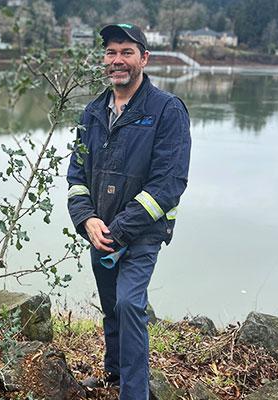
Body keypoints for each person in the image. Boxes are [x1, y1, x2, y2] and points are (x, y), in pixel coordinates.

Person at [67, 24, 191, 399]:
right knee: (111, 306)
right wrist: (86, 219)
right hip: (99, 231)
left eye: (126, 52)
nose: (117, 60)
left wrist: (119, 229)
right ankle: (115, 371)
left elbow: (169, 184)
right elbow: (76, 176)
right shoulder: (92, 112)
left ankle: (134, 393)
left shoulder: (167, 110)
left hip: (142, 232)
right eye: (110, 53)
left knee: (129, 304)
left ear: (144, 59)